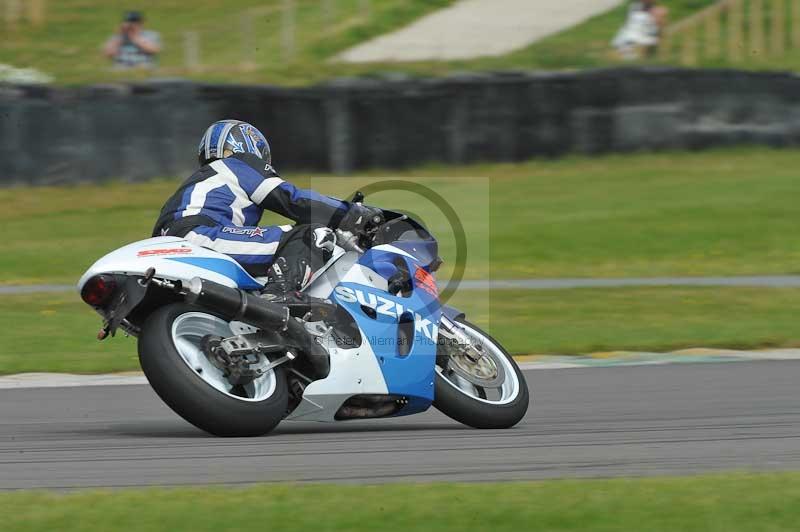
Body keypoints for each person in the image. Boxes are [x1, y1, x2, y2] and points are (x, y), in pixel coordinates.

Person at [152, 119, 381, 299]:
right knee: (312, 235)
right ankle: (279, 296)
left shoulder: (197, 184)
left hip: (169, 248)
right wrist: (352, 212)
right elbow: (292, 199)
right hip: (200, 236)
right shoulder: (238, 164)